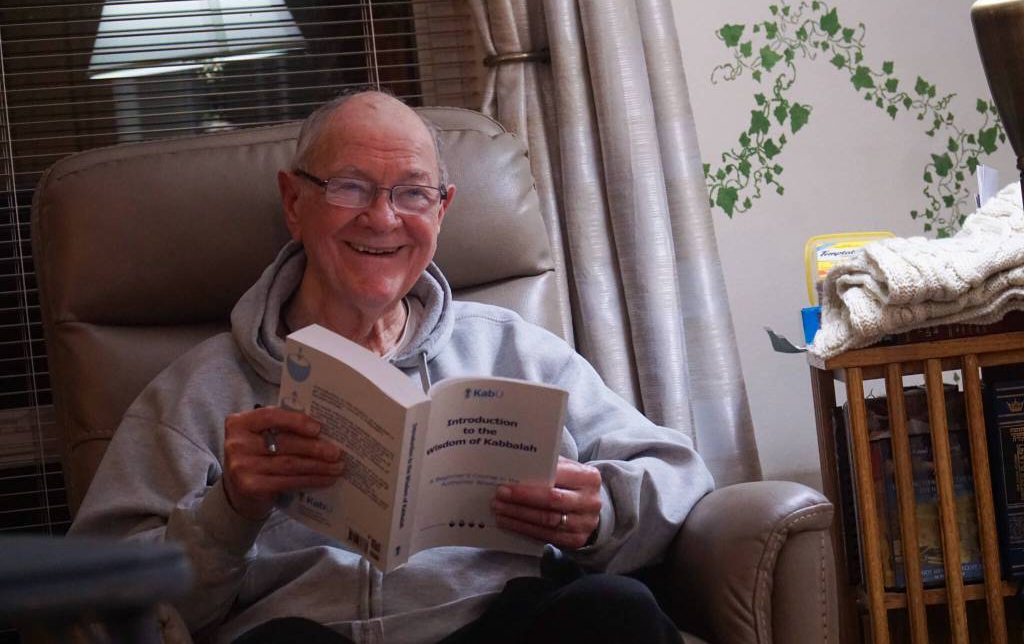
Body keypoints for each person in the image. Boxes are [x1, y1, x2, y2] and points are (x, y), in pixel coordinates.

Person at [70, 90, 714, 644]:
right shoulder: (195, 392)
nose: (382, 218)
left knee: (613, 613)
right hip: (307, 634)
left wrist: (597, 511)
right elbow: (97, 601)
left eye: (412, 193)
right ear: (294, 202)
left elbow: (680, 476)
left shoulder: (516, 350)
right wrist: (227, 512)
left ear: (443, 209)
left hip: (502, 623)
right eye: (350, 187)